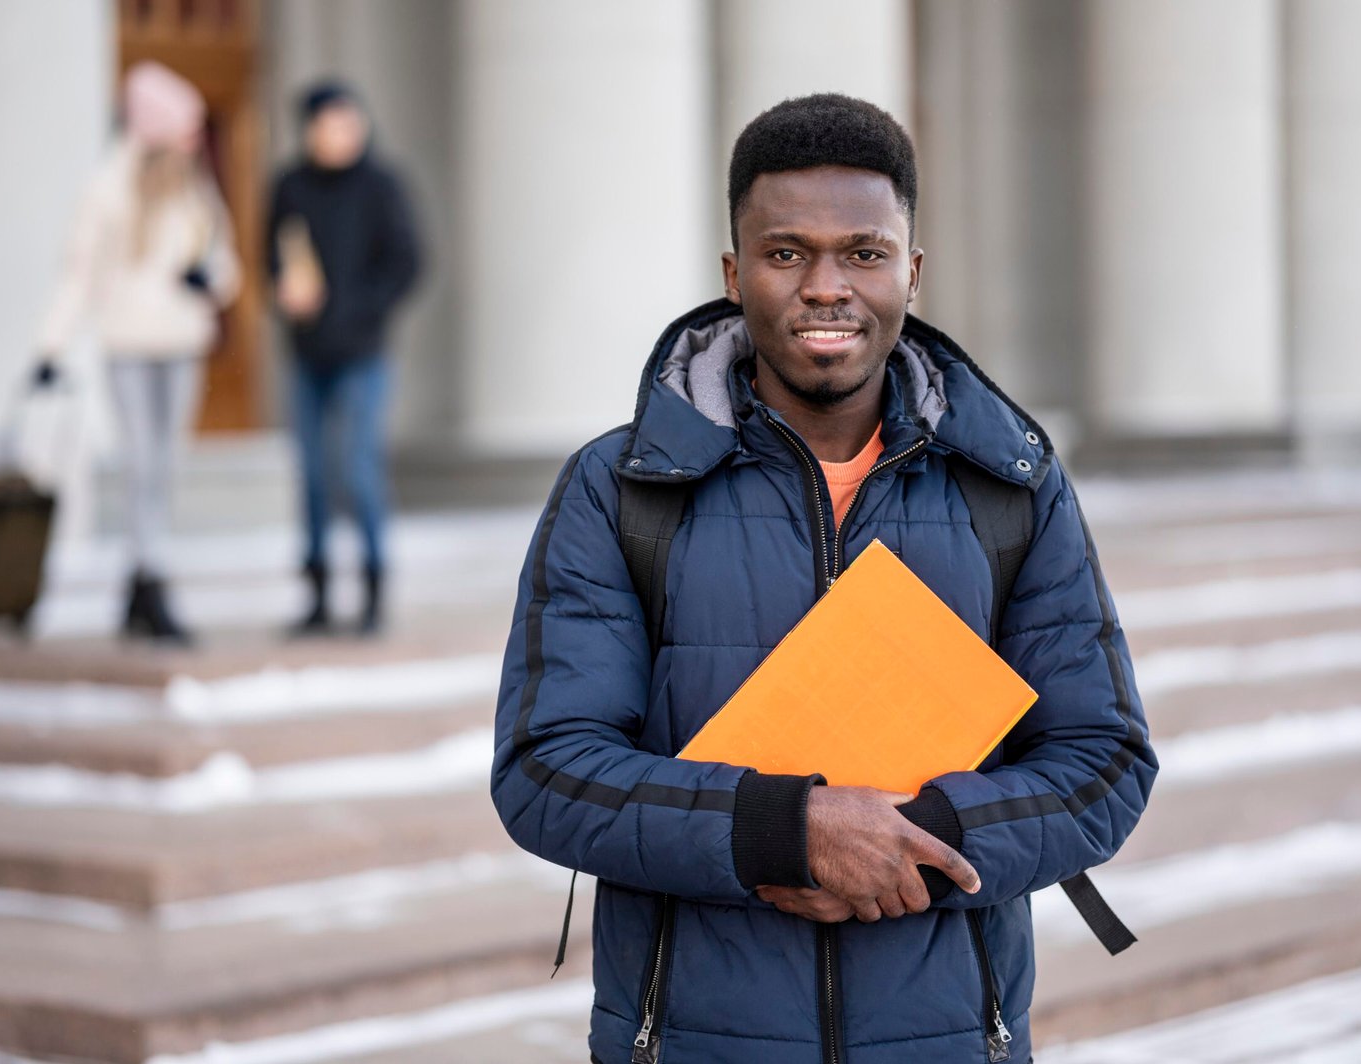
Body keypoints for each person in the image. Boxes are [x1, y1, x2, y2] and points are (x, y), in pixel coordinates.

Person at [491, 94, 1156, 1064]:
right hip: (690, 1040)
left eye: (864, 251)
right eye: (786, 251)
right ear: (733, 271)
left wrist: (919, 840)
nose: (826, 286)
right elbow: (546, 769)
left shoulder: (1008, 485)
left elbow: (1104, 760)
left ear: (911, 272)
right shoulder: (620, 486)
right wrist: (781, 830)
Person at [35, 61, 240, 645]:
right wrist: (50, 346)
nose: (192, 143)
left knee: (166, 465)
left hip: (181, 342)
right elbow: (77, 274)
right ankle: (151, 583)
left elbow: (225, 260)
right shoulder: (106, 188)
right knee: (142, 464)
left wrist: (211, 281)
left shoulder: (192, 188)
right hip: (128, 343)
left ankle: (141, 583)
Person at [266, 80, 421, 636]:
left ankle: (375, 586)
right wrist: (284, 290)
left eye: (349, 123)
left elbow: (407, 263)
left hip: (363, 351)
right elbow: (271, 257)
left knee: (357, 468)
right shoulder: (289, 186)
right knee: (311, 473)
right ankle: (317, 593)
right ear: (309, 129)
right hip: (307, 353)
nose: (341, 135)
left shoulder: (381, 186)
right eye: (331, 125)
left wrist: (353, 308)